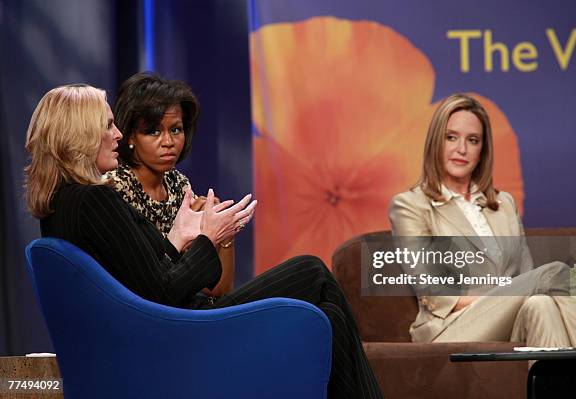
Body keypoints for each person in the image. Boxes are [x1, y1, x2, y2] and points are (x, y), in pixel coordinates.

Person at [25, 84, 382, 399]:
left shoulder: (62, 203)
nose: (118, 134)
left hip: (154, 327)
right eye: (107, 125)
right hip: (178, 330)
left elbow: (136, 275)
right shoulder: (94, 199)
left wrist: (180, 236)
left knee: (331, 317)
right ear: (81, 135)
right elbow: (164, 290)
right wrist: (210, 239)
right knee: (312, 271)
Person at [389, 93, 576, 347]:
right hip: (448, 328)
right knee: (550, 275)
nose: (462, 149)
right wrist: (507, 294)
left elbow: (525, 275)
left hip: (511, 321)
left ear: (483, 150)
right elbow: (437, 295)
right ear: (436, 142)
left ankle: (565, 387)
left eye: (473, 140)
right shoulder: (410, 205)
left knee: (541, 304)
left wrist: (515, 293)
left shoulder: (504, 205)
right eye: (451, 137)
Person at [106, 72, 233, 298]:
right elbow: (147, 283)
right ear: (130, 136)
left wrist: (222, 233)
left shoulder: (178, 186)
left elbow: (218, 291)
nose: (168, 142)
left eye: (176, 129)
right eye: (153, 131)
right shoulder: (115, 187)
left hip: (181, 308)